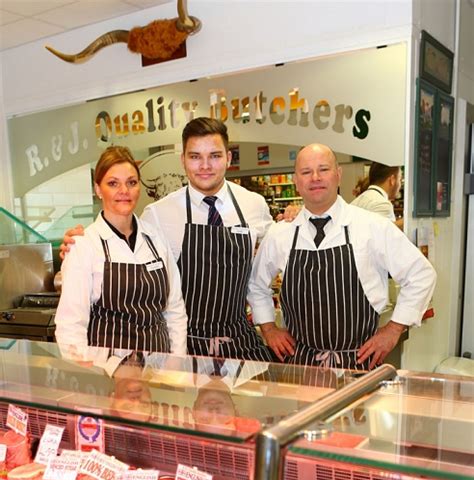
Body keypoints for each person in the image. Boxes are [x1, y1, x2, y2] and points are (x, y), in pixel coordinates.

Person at [60, 118, 274, 362]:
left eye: (214, 155)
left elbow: (276, 253)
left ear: (228, 157)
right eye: (195, 156)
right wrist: (75, 246)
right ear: (183, 160)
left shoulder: (254, 205)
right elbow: (123, 244)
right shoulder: (157, 214)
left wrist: (294, 219)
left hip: (239, 341)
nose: (205, 165)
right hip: (185, 343)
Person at [247, 143, 436, 370]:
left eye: (323, 169)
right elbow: (256, 285)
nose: (315, 177)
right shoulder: (281, 233)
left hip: (358, 363)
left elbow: (421, 274)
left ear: (338, 174)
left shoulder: (372, 226)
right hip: (300, 365)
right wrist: (268, 328)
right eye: (306, 172)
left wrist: (394, 329)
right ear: (296, 181)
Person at [55, 146, 187, 356]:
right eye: (113, 183)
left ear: (139, 188)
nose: (124, 191)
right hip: (109, 373)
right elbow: (71, 326)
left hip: (159, 368)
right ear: (98, 189)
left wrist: (176, 362)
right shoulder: (83, 245)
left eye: (131, 183)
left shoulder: (156, 238)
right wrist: (86, 376)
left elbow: (174, 309)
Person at [351, 162, 404, 229]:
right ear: (392, 180)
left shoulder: (359, 200)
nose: (400, 184)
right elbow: (385, 235)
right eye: (400, 179)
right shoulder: (382, 204)